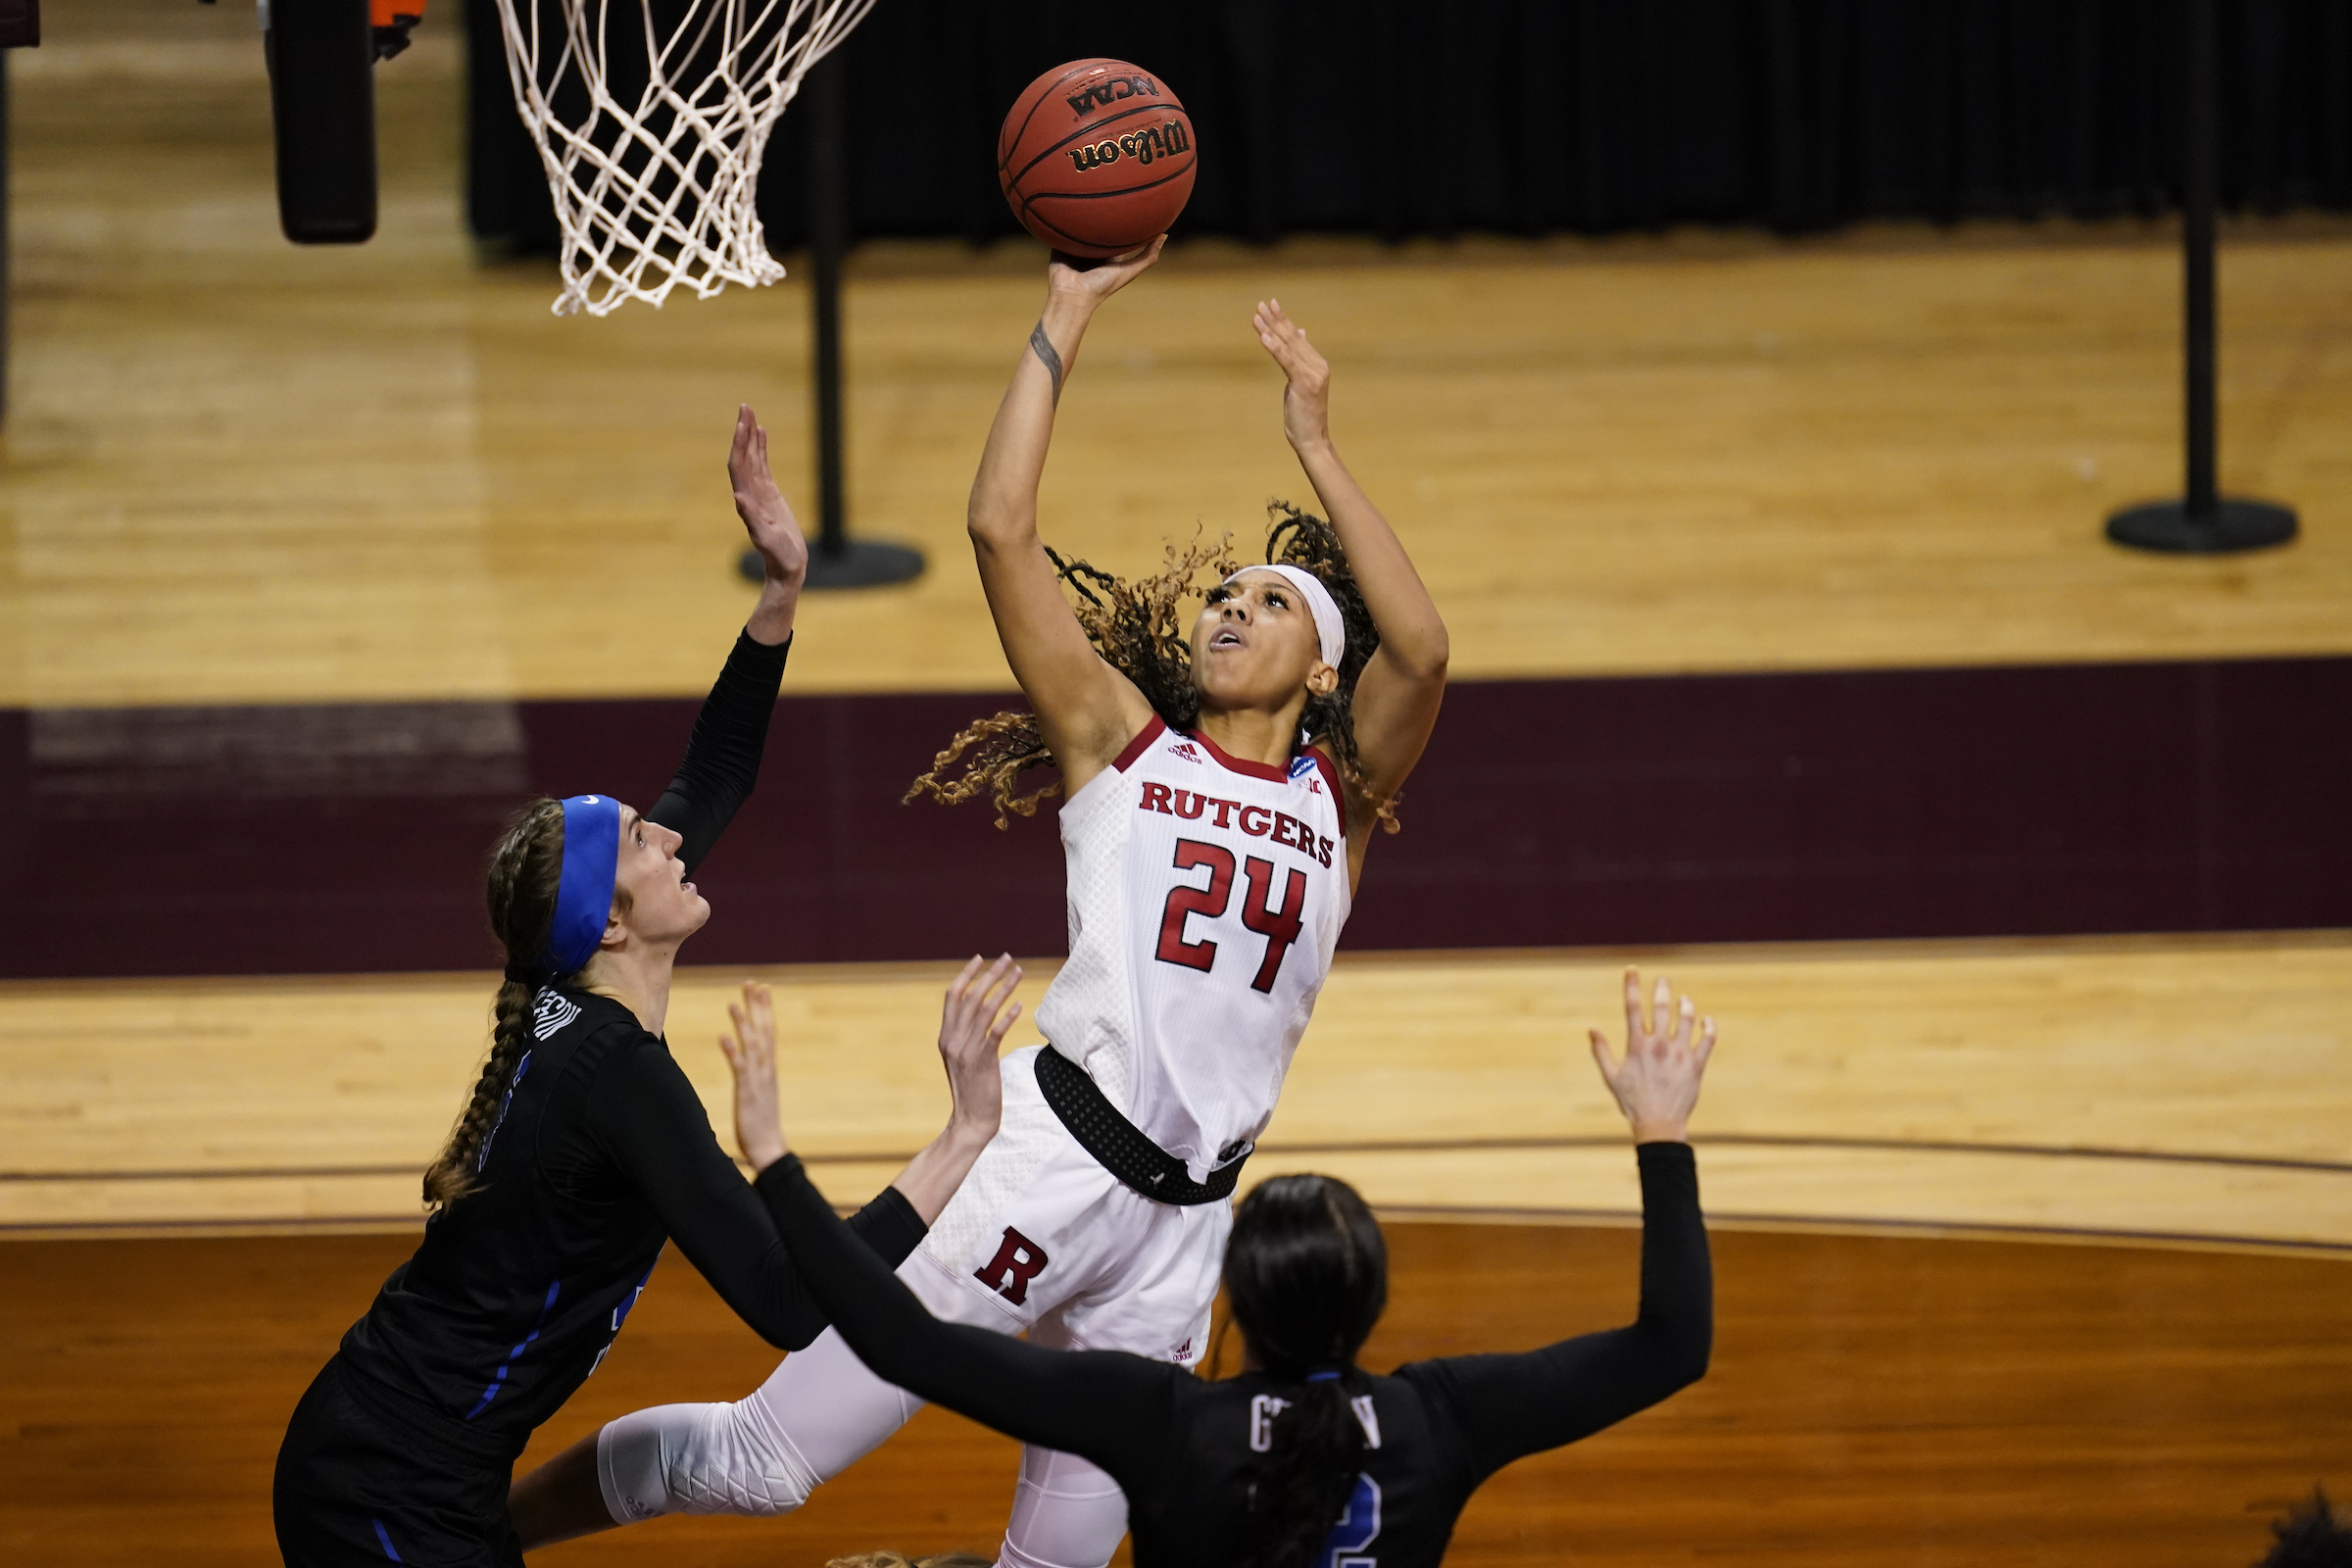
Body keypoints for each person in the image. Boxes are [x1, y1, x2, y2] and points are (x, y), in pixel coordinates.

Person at [514, 241, 1452, 1567]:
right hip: (1039, 1163)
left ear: (1321, 663)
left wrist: (1313, 438)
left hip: (1183, 1237)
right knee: (764, 1462)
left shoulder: (1338, 808)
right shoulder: (1122, 746)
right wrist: (1061, 316)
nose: (1232, 607)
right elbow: (999, 529)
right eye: (1225, 595)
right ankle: (480, 1539)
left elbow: (1426, 647)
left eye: (1270, 601)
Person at [270, 407, 1023, 1568]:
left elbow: (711, 772)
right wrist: (965, 1132)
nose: (672, 841)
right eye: (643, 843)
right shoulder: (616, 1076)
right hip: (387, 1494)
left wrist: (781, 591)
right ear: (616, 919)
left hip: (399, 1466)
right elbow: (785, 1295)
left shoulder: (575, 987)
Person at [730, 966, 1714, 1568]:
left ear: (1229, 1296)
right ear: (1371, 1299)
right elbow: (1672, 1346)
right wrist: (1662, 1132)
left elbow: (902, 1338)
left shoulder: (1164, 1420)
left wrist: (775, 1159)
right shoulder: (1440, 1420)